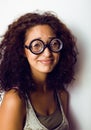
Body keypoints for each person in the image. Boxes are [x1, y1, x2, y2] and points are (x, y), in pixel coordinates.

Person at [0, 11, 78, 130]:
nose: (47, 53)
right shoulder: (15, 99)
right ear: (22, 51)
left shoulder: (62, 95)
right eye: (36, 45)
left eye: (54, 44)